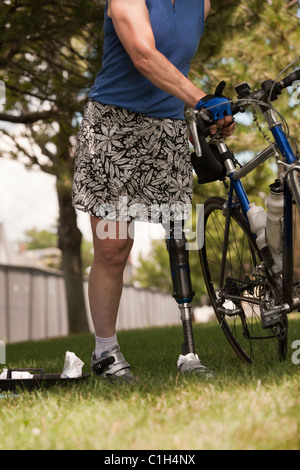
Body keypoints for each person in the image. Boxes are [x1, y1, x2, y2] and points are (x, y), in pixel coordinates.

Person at [72, 0, 235, 382]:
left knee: (179, 240)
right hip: (113, 126)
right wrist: (201, 98)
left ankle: (189, 352)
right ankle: (105, 352)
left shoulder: (202, 5)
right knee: (113, 247)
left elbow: (175, 68)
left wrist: (210, 115)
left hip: (166, 128)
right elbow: (144, 55)